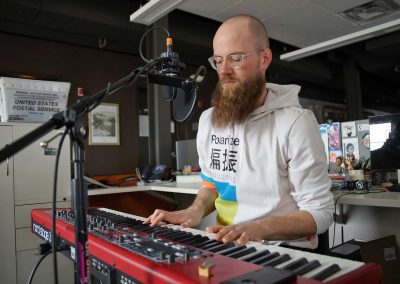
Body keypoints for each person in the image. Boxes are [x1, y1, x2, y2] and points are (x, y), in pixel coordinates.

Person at [144, 14, 334, 249]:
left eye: (235, 58)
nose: (224, 71)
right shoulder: (209, 120)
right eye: (218, 60)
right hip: (226, 244)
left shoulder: (296, 123)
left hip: (282, 251)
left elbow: (320, 213)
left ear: (264, 59)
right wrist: (194, 211)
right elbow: (212, 185)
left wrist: (256, 227)